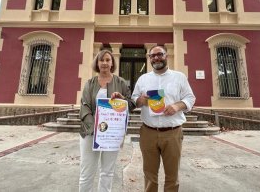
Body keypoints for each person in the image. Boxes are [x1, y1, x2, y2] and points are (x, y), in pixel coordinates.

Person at [132, 45, 195, 192]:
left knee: (172, 175)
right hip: (148, 132)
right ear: (149, 59)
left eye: (159, 54)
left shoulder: (179, 77)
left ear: (166, 56)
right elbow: (134, 99)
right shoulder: (143, 79)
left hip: (172, 133)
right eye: (152, 56)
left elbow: (190, 98)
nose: (156, 58)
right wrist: (140, 100)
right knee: (149, 174)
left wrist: (177, 106)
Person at [78, 49, 135, 192]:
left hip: (111, 135)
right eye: (101, 60)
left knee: (107, 173)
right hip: (90, 133)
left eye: (108, 60)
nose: (104, 63)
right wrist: (95, 127)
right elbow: (84, 106)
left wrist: (122, 99)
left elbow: (131, 104)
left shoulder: (120, 82)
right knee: (86, 173)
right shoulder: (90, 83)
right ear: (97, 63)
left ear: (112, 63)